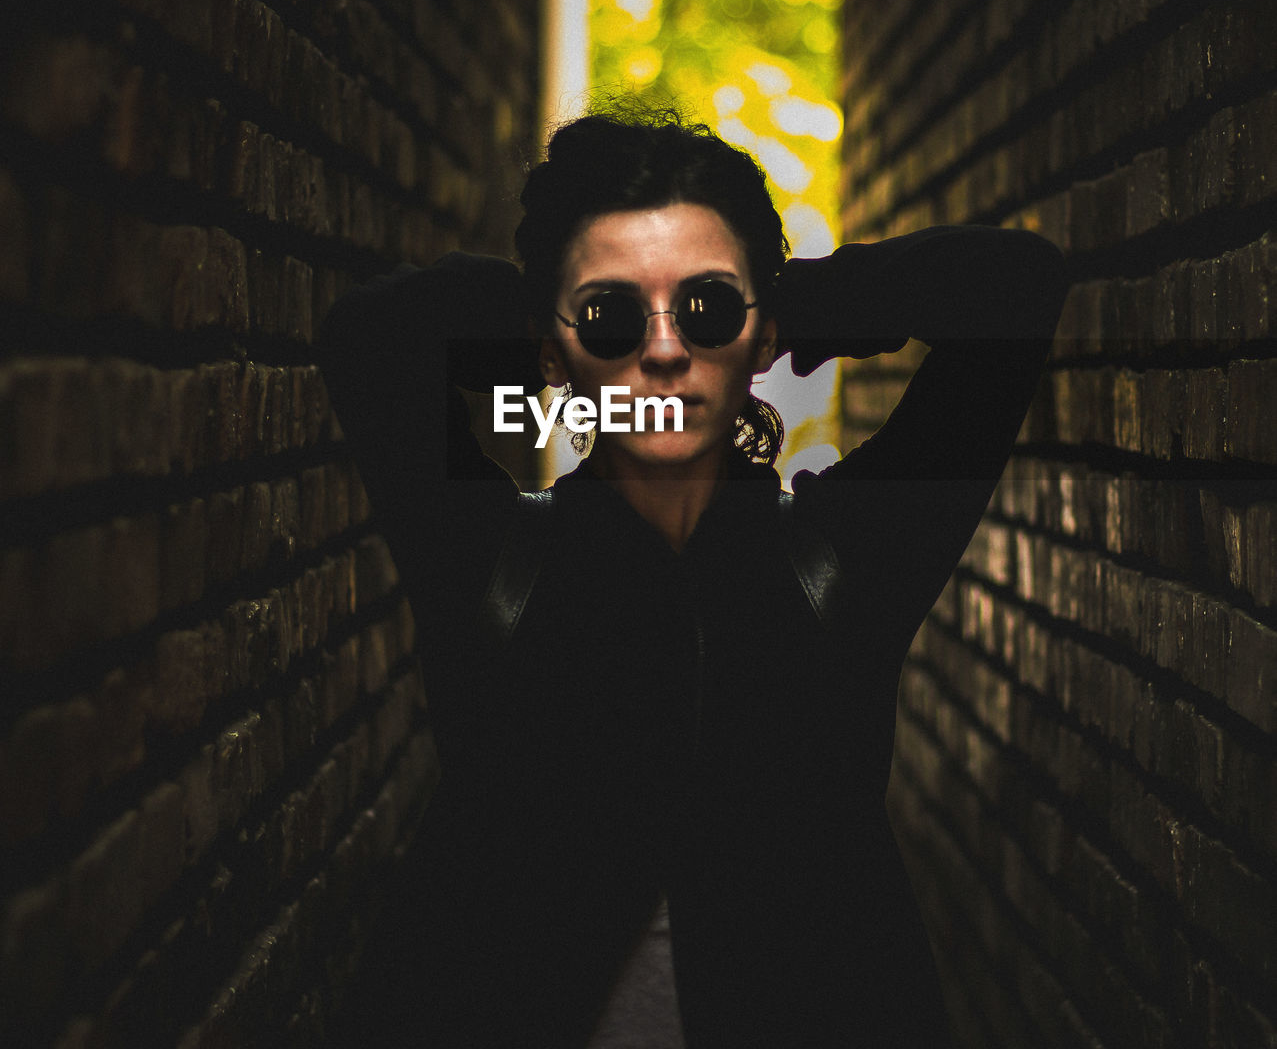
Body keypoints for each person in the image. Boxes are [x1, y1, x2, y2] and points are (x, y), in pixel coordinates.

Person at [318, 108, 1067, 1047]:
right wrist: (554, 322)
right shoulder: (487, 562)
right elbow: (369, 335)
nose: (666, 351)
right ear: (550, 346)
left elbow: (1015, 287)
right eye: (613, 314)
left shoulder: (845, 563)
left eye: (707, 309)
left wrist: (797, 306)